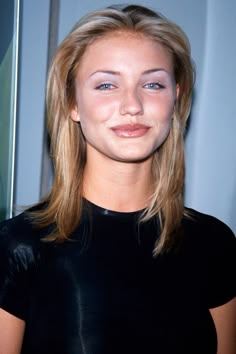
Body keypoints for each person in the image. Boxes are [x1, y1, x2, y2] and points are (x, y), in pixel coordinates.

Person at [0, 4, 235, 354]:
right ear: (72, 103)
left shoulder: (214, 243)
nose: (132, 105)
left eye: (153, 83)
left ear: (176, 98)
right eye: (106, 85)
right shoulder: (18, 246)